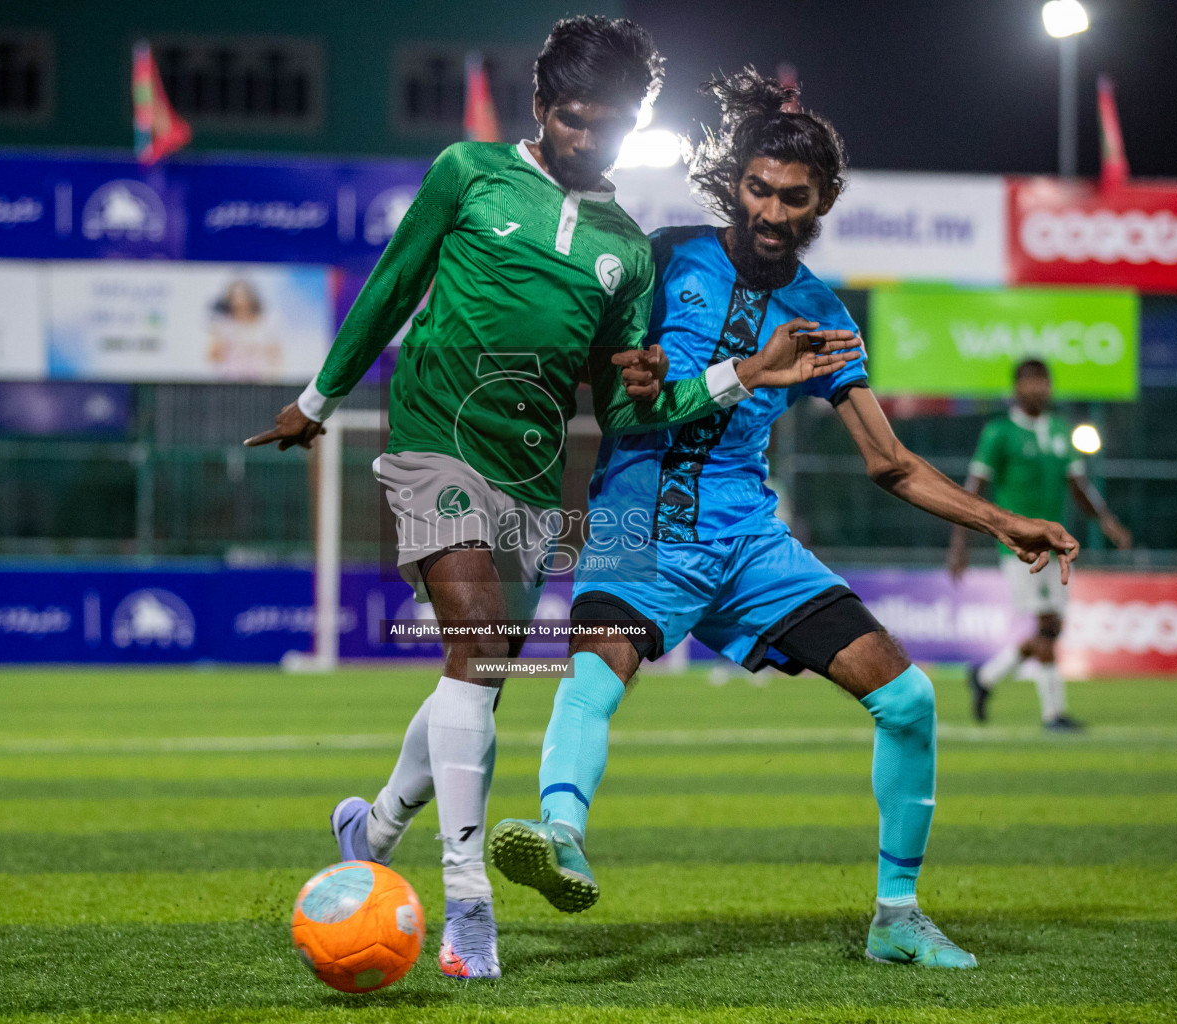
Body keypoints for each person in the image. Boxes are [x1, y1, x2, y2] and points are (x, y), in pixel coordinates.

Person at [244, 23, 861, 980]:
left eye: (611, 129)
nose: (589, 141)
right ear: (541, 108)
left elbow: (623, 405)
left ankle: (374, 826)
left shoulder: (627, 249)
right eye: (575, 120)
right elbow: (392, 283)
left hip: (531, 480)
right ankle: (467, 906)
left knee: (475, 675)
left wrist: (721, 377)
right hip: (433, 443)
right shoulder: (469, 172)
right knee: (483, 646)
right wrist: (317, 401)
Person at [489, 68, 1081, 970]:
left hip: (747, 542)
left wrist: (1003, 520)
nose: (770, 211)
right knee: (594, 677)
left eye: (792, 199)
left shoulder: (822, 312)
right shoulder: (663, 256)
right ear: (734, 183)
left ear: (822, 204)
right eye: (757, 189)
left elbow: (888, 462)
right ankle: (560, 835)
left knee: (909, 697)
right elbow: (617, 397)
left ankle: (896, 916)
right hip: (637, 522)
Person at [948, 359, 1132, 731]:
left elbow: (1078, 486)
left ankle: (985, 677)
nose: (1038, 389)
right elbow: (973, 489)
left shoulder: (1062, 430)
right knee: (1046, 624)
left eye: (1043, 382)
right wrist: (959, 542)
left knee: (1051, 629)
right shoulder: (999, 432)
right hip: (1019, 548)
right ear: (1016, 388)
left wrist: (1106, 520)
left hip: (1058, 547)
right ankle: (1053, 715)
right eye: (1030, 382)